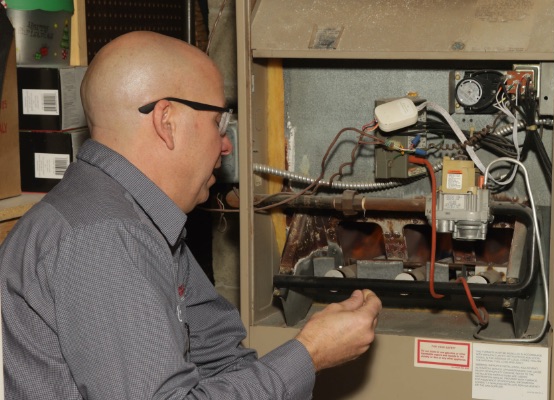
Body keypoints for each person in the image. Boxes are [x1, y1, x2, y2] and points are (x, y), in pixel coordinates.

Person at [0, 31, 382, 399]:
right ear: (166, 121)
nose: (227, 144)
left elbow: (219, 354)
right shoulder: (102, 236)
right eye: (220, 122)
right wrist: (309, 354)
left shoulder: (142, 219)